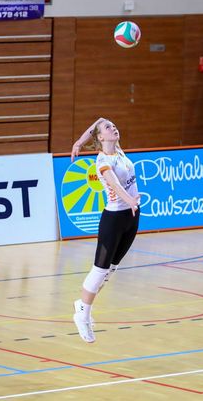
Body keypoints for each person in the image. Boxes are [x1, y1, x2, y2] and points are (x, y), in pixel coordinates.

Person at [71, 118, 140, 343]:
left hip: (131, 216)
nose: (113, 128)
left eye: (114, 125)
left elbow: (99, 121)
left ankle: (82, 303)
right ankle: (82, 315)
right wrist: (130, 200)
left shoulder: (118, 151)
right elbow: (114, 185)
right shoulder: (102, 160)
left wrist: (79, 142)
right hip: (114, 219)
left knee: (112, 269)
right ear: (100, 137)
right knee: (100, 269)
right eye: (108, 128)